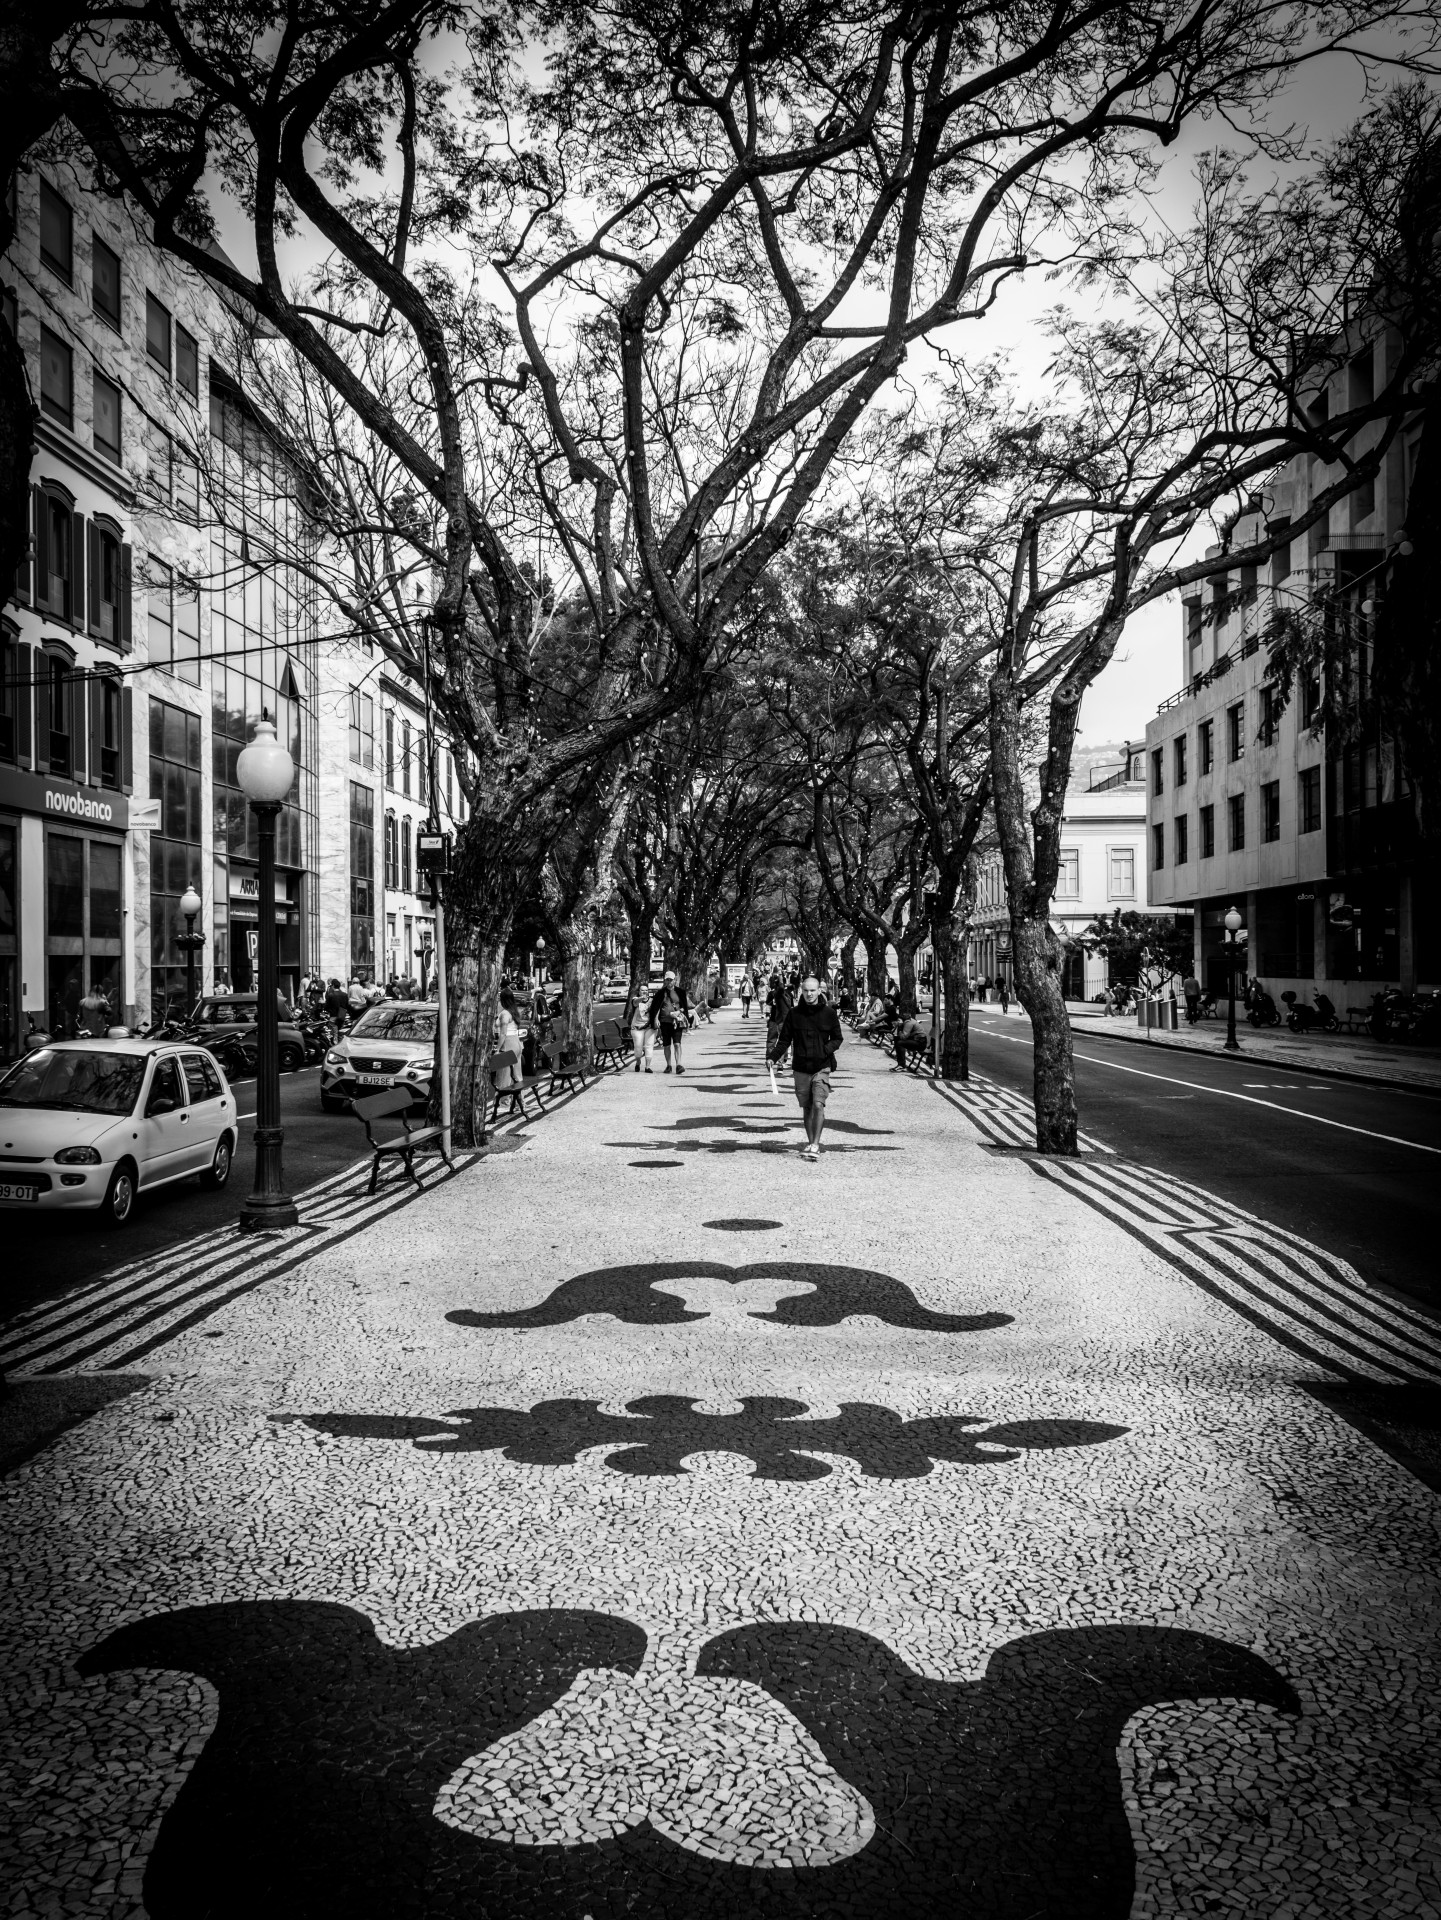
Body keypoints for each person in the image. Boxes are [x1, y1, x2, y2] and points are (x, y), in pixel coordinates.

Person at [768, 972, 844, 1161]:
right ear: (801, 991)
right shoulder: (794, 1014)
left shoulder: (829, 1013)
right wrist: (773, 1057)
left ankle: (816, 1144)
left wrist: (823, 1050)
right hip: (801, 1067)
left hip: (821, 1066)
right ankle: (810, 1142)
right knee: (807, 1107)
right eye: (806, 990)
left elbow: (837, 1038)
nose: (809, 994)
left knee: (818, 1103)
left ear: (819, 991)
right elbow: (784, 1039)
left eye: (812, 990)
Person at [647, 970, 691, 1072]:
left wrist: (679, 1012)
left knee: (677, 1043)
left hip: (677, 1022)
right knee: (666, 1045)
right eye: (667, 980)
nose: (669, 982)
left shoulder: (680, 992)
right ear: (665, 981)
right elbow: (656, 1007)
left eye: (671, 980)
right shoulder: (660, 993)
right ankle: (668, 1065)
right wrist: (655, 1019)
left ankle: (679, 1065)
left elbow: (685, 1007)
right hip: (664, 1022)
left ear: (674, 980)